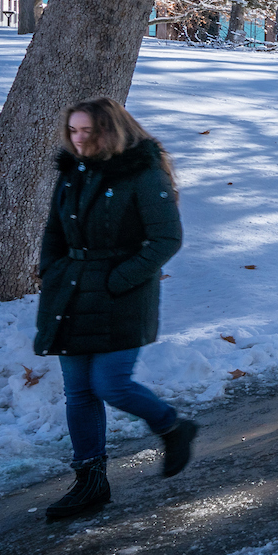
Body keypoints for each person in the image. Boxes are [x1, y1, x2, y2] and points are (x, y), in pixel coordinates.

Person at [33, 98, 199, 521]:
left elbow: (166, 239)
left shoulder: (141, 172)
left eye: (87, 130)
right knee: (79, 393)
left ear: (111, 129)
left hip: (122, 297)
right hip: (70, 292)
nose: (79, 138)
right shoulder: (72, 171)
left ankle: (172, 426)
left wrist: (118, 279)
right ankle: (90, 481)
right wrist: (52, 270)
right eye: (73, 130)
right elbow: (54, 230)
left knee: (110, 383)